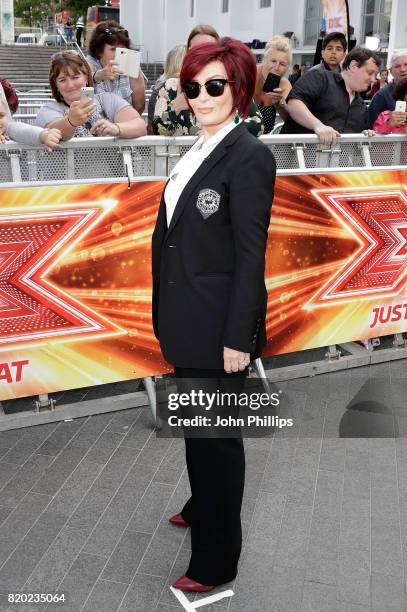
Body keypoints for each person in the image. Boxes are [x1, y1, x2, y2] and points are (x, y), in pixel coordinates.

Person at [152, 37, 276, 592]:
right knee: (199, 428)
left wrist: (239, 338)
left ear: (240, 88)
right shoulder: (196, 149)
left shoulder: (249, 156)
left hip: (218, 326)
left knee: (218, 443)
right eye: (193, 86)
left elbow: (252, 256)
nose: (201, 96)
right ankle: (202, 505)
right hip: (185, 318)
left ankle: (216, 562)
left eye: (215, 86)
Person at [152, 24, 264, 137]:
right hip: (182, 154)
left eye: (209, 48)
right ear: (187, 52)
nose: (202, 54)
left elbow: (257, 124)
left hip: (222, 153)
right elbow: (158, 130)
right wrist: (177, 106)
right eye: (196, 49)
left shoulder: (232, 83)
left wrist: (220, 131)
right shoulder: (172, 86)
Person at [36, 51, 146, 140]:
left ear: (86, 78)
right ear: (55, 85)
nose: (70, 85)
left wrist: (116, 128)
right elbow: (53, 133)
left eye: (75, 77)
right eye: (62, 80)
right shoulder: (48, 110)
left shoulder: (107, 99)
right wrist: (70, 121)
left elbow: (140, 126)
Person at [281, 46, 380, 144]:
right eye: (370, 73)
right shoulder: (319, 78)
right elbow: (294, 103)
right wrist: (318, 125)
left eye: (375, 75)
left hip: (335, 159)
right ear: (353, 66)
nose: (373, 79)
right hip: (294, 156)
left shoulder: (361, 106)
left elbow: (361, 132)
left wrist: (365, 134)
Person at [86, 21, 145, 114]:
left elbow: (139, 107)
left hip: (125, 124)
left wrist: (136, 75)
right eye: (113, 49)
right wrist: (96, 77)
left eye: (122, 48)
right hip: (95, 126)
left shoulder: (131, 66)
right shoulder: (88, 65)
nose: (118, 53)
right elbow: (81, 98)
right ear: (98, 51)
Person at [253, 35, 292, 133]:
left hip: (266, 142)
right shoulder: (250, 75)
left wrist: (279, 105)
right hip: (241, 140)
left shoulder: (284, 86)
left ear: (287, 68)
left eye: (282, 64)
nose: (277, 67)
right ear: (265, 59)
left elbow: (290, 121)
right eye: (273, 61)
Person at [148, 43, 186, 135]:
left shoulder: (158, 89)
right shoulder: (164, 89)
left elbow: (151, 127)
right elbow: (158, 129)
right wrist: (176, 106)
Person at [369, 50, 407, 127]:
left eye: (406, 65)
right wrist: (388, 123)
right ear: (391, 71)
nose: (403, 69)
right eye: (397, 66)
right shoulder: (381, 96)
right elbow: (372, 128)